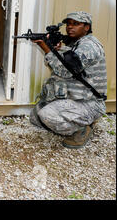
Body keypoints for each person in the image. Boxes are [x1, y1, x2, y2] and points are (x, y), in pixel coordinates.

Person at [30, 11, 107, 149]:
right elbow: (63, 63)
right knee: (35, 117)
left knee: (47, 115)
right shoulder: (75, 43)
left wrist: (47, 50)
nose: (70, 27)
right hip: (75, 97)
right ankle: (80, 120)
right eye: (69, 24)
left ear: (86, 27)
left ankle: (82, 130)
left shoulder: (88, 46)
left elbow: (66, 71)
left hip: (90, 102)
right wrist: (56, 50)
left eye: (76, 24)